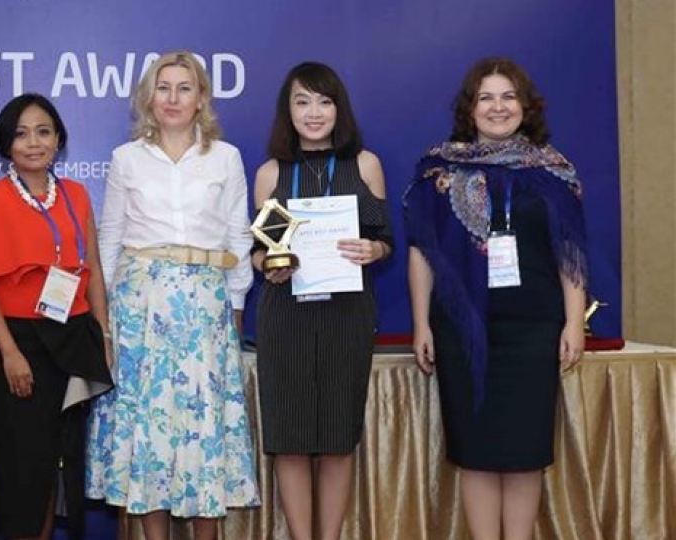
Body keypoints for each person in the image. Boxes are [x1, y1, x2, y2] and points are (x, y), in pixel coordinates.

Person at [404, 57, 588, 540]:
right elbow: (422, 252)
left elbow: (570, 251)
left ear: (526, 106)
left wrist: (574, 322)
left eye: (509, 96)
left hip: (533, 331)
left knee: (526, 455)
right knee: (476, 455)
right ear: (470, 108)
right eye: (486, 97)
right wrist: (421, 324)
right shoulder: (438, 172)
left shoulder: (554, 171)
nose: (498, 107)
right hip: (462, 332)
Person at [85, 50, 260, 540]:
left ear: (201, 97)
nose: (173, 98)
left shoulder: (225, 157)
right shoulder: (127, 159)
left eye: (184, 88)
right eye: (163, 88)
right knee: (151, 430)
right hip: (140, 309)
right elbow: (110, 238)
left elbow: (238, 235)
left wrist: (237, 303)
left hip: (206, 306)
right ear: (149, 97)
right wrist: (106, 320)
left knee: (204, 429)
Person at [0, 93, 113, 540]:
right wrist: (9, 352)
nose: (33, 143)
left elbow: (92, 269)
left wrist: (103, 333)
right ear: (6, 144)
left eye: (43, 132)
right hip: (15, 344)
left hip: (70, 341)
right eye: (21, 134)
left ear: (58, 140)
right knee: (21, 470)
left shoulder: (76, 195)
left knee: (57, 464)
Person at [252, 61, 393, 540]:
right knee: (289, 440)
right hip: (286, 317)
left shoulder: (365, 165)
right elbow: (259, 252)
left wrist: (374, 251)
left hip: (346, 315)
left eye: (324, 101)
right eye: (302, 101)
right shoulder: (271, 173)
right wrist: (270, 266)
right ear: (287, 111)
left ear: (339, 109)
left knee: (337, 438)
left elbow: (385, 239)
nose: (314, 112)